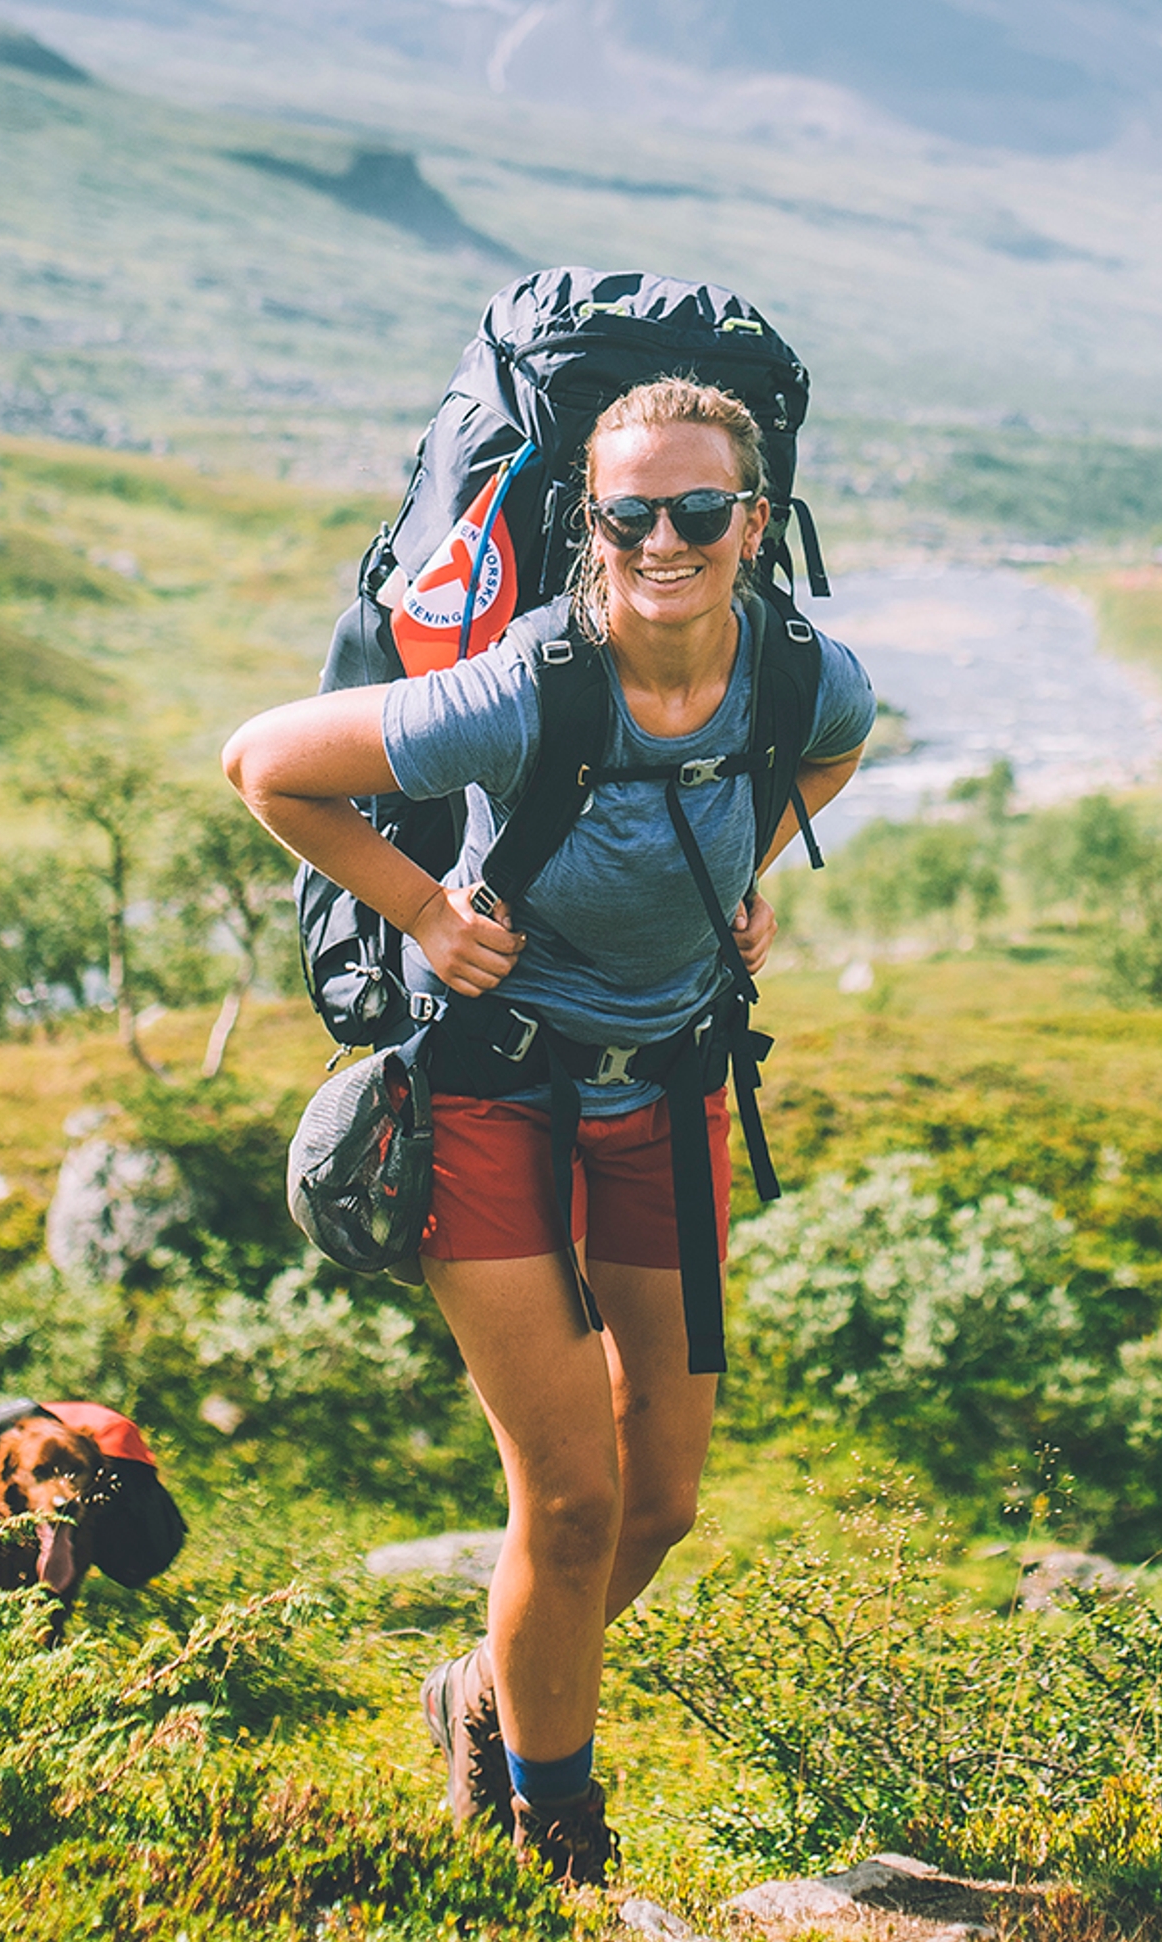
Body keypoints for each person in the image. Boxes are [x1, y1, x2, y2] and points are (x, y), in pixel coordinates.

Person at [223, 378, 871, 1883]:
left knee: (658, 1505)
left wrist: (743, 871)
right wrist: (425, 916)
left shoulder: (797, 676)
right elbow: (268, 762)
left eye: (698, 511)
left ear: (753, 522)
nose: (665, 538)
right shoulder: (525, 689)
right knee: (569, 1496)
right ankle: (553, 1838)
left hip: (666, 1086)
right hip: (493, 1090)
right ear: (588, 524)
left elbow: (835, 749)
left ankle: (484, 1692)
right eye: (629, 512)